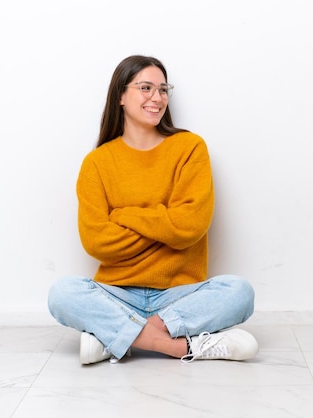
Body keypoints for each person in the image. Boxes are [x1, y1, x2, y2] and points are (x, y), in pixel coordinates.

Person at [48, 55, 258, 365]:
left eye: (162, 89)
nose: (157, 98)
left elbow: (190, 226)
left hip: (180, 295)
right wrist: (166, 224)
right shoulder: (97, 163)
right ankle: (178, 346)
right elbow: (96, 242)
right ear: (120, 95)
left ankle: (116, 338)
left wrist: (123, 216)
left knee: (239, 292)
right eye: (146, 87)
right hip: (118, 294)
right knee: (62, 293)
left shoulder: (189, 148)